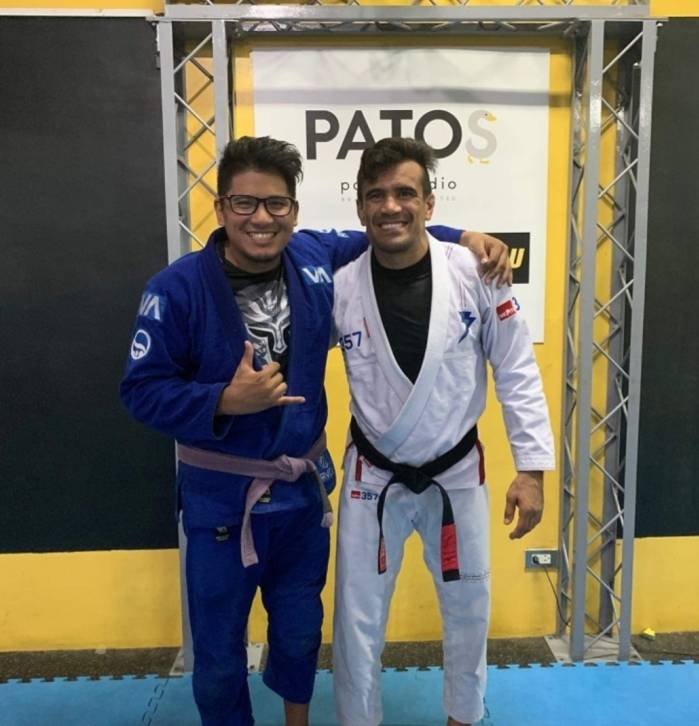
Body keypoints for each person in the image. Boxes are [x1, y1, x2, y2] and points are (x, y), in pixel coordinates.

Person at [120, 135, 511, 726]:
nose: (261, 218)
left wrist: (466, 236)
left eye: (276, 203)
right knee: (219, 650)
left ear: (294, 211)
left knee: (301, 632)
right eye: (245, 203)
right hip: (221, 499)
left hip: (300, 494)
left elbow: (390, 228)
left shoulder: (310, 258)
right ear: (221, 208)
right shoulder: (175, 289)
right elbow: (140, 391)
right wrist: (222, 400)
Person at [331, 137, 555, 726]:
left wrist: (531, 472)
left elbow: (516, 369)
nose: (390, 206)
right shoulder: (340, 284)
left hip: (455, 471)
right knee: (355, 617)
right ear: (360, 208)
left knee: (469, 605)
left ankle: (464, 717)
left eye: (405, 193)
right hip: (372, 474)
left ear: (430, 204)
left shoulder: (475, 272)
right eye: (376, 195)